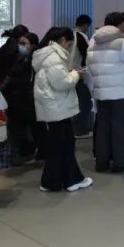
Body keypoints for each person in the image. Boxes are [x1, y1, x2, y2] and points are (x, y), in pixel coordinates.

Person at [31, 28, 92, 193]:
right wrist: (75, 74)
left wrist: (70, 73)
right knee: (64, 145)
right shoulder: (54, 57)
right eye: (69, 44)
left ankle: (53, 182)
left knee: (58, 146)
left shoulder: (47, 55)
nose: (70, 47)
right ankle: (71, 180)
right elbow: (62, 83)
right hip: (57, 106)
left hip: (54, 106)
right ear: (63, 40)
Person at [87, 12, 124, 172]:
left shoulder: (93, 40)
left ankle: (101, 163)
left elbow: (89, 64)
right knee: (120, 129)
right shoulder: (123, 39)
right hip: (120, 92)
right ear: (121, 24)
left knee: (102, 128)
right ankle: (120, 163)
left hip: (100, 91)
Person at [1, 32, 39, 163]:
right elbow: (11, 76)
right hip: (17, 99)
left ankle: (28, 153)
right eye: (20, 43)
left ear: (33, 45)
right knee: (19, 129)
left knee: (25, 130)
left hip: (26, 100)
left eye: (24, 43)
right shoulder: (21, 58)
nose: (20, 46)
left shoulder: (35, 61)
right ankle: (24, 153)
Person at [72, 15, 94, 138]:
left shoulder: (69, 35)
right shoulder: (81, 36)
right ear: (85, 25)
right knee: (84, 102)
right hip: (78, 73)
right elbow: (88, 55)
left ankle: (75, 129)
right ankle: (80, 130)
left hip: (66, 73)